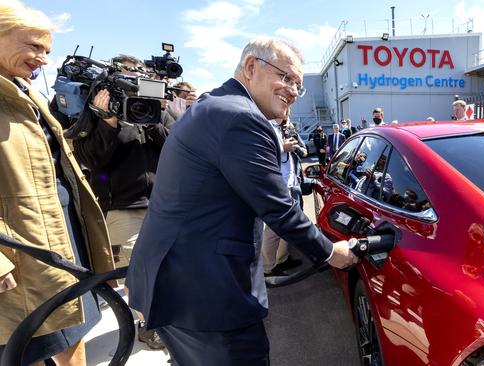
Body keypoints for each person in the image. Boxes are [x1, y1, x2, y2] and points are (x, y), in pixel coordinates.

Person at [125, 37, 358, 365]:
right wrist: (333, 252)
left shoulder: (212, 106)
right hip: (207, 296)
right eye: (286, 77)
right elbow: (277, 207)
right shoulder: (241, 118)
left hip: (178, 283)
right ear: (251, 67)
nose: (292, 90)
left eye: (298, 86)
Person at [0, 2, 114, 365]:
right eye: (34, 46)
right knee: (28, 345)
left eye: (47, 50)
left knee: (72, 328)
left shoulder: (26, 94)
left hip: (59, 234)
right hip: (20, 249)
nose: (44, 59)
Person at [71, 54, 174, 350]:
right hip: (124, 208)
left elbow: (176, 146)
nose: (134, 78)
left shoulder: (156, 109)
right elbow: (89, 159)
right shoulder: (97, 109)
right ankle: (147, 324)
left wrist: (154, 117)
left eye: (139, 72)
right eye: (128, 72)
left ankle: (158, 318)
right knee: (137, 272)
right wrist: (108, 123)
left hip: (161, 205)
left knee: (163, 269)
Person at [262, 115, 307, 277]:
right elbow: (257, 152)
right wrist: (282, 147)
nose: (287, 111)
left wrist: (297, 147)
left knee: (288, 226)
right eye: (285, 107)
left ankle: (282, 259)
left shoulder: (289, 128)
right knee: (274, 229)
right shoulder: (265, 126)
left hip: (291, 182)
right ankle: (268, 268)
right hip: (275, 185)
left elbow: (303, 150)